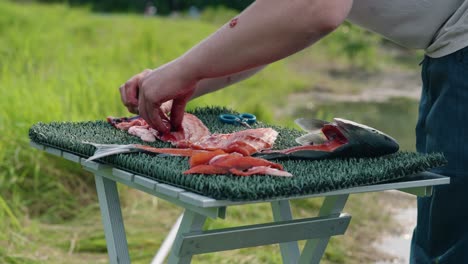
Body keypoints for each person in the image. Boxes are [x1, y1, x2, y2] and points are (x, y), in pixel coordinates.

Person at [119, 1, 468, 263]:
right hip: (448, 53)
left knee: (451, 244)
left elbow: (315, 9)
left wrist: (182, 71)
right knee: (442, 233)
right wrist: (181, 80)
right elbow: (279, 26)